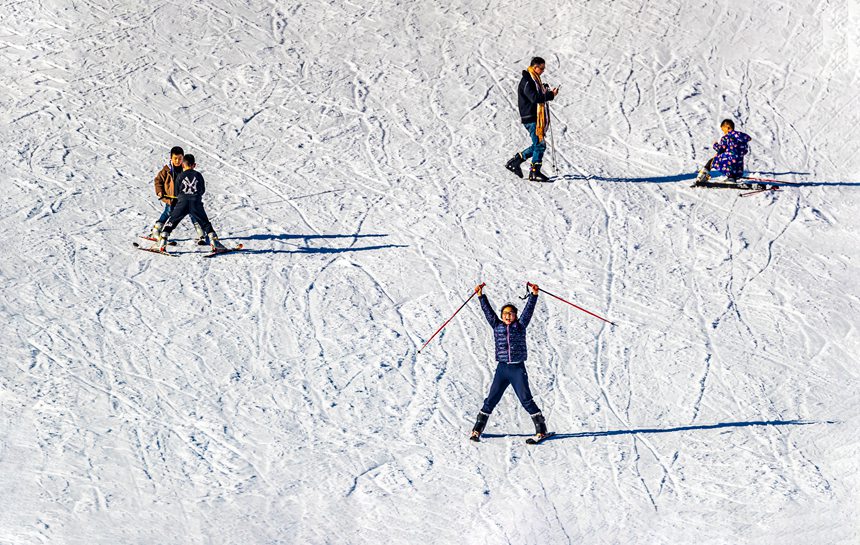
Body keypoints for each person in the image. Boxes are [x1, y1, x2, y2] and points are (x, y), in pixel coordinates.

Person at [469, 283, 549, 442]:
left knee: (525, 399)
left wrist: (534, 295)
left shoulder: (520, 326)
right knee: (491, 398)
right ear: (501, 315)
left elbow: (528, 311)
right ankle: (477, 429)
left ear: (516, 316)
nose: (508, 316)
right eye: (505, 313)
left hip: (517, 369)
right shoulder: (496, 325)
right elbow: (488, 312)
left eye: (511, 314)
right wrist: (480, 296)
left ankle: (541, 429)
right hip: (502, 369)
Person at [505, 57, 560, 183]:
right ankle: (534, 172)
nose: (543, 71)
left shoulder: (534, 79)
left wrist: (544, 90)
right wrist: (550, 95)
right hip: (531, 118)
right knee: (540, 145)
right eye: (541, 68)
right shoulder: (527, 81)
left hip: (534, 117)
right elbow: (534, 98)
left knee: (538, 144)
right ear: (535, 67)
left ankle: (516, 161)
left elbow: (537, 95)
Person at [157, 154, 227, 251]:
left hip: (182, 203)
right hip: (196, 203)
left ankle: (163, 241)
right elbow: (202, 190)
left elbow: (177, 192)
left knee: (172, 221)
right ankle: (214, 241)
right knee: (205, 222)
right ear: (194, 165)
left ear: (183, 165)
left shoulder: (180, 176)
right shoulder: (198, 175)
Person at [150, 146, 206, 243]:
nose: (177, 161)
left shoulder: (186, 168)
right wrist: (159, 191)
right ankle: (157, 230)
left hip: (185, 198)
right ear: (171, 158)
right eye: (175, 158)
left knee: (193, 213)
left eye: (180, 158)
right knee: (169, 212)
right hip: (171, 198)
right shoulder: (167, 170)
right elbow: (158, 180)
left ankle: (201, 233)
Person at [695, 119, 752, 184]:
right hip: (739, 162)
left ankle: (701, 177)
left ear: (728, 127)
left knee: (712, 161)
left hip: (729, 159)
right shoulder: (742, 138)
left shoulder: (726, 137)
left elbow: (721, 149)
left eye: (723, 130)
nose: (723, 132)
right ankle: (732, 178)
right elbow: (745, 150)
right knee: (732, 165)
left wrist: (715, 145)